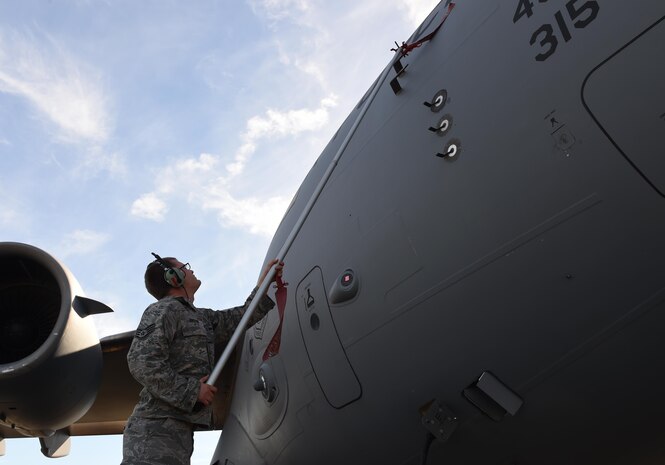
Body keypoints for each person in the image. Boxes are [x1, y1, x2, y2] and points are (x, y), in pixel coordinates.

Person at [120, 254, 283, 465]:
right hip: (154, 432)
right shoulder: (162, 310)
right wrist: (193, 391)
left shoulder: (200, 318)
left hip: (178, 432)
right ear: (174, 277)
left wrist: (263, 284)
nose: (191, 270)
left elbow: (241, 317)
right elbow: (142, 362)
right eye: (185, 267)